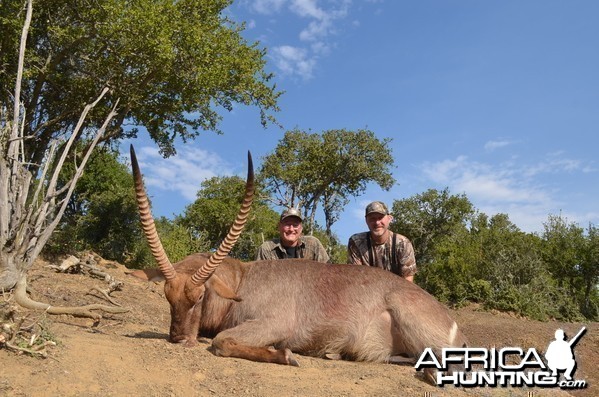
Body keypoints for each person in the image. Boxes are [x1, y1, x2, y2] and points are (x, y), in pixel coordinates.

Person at [347, 201, 417, 282]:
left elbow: (408, 281)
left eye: (380, 217)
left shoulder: (403, 243)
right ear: (366, 220)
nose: (377, 222)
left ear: (389, 218)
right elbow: (356, 278)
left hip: (397, 291)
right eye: (372, 218)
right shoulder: (356, 242)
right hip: (367, 290)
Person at [256, 208, 330, 262]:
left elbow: (327, 271)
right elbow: (259, 278)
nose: (291, 229)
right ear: (279, 226)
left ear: (301, 228)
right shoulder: (266, 249)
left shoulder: (313, 244)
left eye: (295, 225)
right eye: (287, 224)